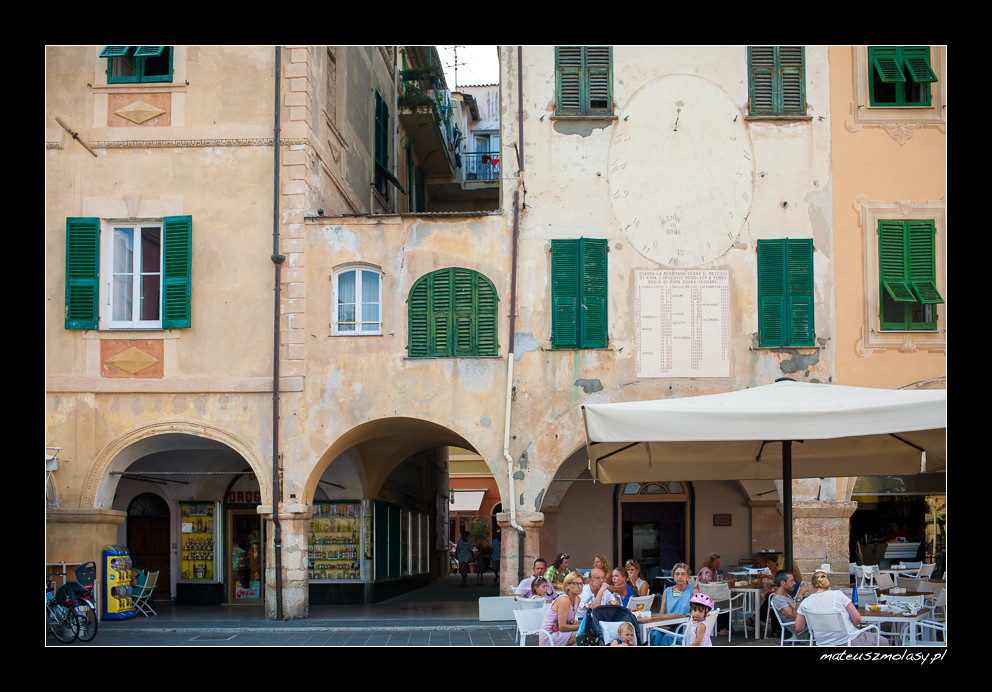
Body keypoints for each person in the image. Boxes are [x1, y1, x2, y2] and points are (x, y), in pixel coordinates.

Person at [795, 571, 889, 646]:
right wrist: (851, 627)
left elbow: (799, 628)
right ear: (828, 584)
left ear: (812, 585)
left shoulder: (806, 602)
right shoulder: (838, 595)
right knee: (883, 641)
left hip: (823, 643)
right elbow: (857, 618)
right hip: (847, 640)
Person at [654, 562, 700, 646]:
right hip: (668, 625)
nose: (680, 577)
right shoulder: (667, 591)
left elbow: (699, 612)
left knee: (668, 638)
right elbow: (661, 613)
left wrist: (688, 615)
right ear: (673, 577)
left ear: (688, 577)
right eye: (677, 574)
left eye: (683, 574)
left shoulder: (693, 590)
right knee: (654, 635)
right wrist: (668, 617)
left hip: (684, 628)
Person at [541, 571, 585, 646]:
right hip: (549, 636)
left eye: (581, 583)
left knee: (578, 643)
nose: (579, 586)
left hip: (561, 634)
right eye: (576, 583)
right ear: (567, 585)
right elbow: (562, 627)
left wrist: (572, 622)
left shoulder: (578, 599)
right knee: (583, 635)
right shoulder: (564, 599)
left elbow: (566, 622)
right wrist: (582, 626)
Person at [768, 570, 810, 640]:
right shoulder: (778, 599)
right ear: (783, 583)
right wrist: (799, 596)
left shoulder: (787, 596)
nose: (794, 583)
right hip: (803, 632)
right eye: (791, 581)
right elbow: (794, 616)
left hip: (808, 627)